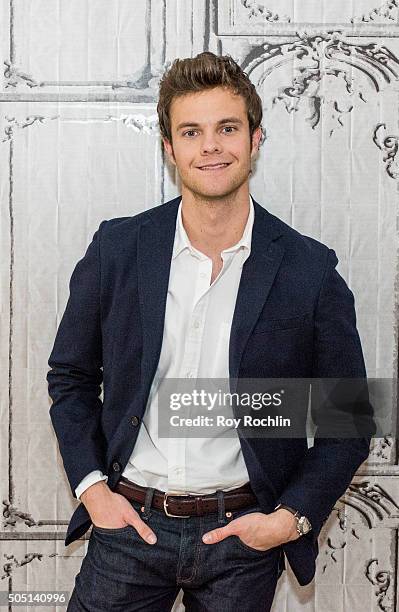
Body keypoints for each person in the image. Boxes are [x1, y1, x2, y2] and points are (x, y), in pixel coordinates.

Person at [47, 52, 372, 611]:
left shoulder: (309, 270)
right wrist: (92, 488)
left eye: (227, 128)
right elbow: (70, 377)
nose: (211, 146)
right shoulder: (118, 250)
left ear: (255, 137)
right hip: (129, 527)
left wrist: (289, 520)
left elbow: (347, 422)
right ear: (170, 149)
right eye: (191, 132)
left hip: (244, 539)